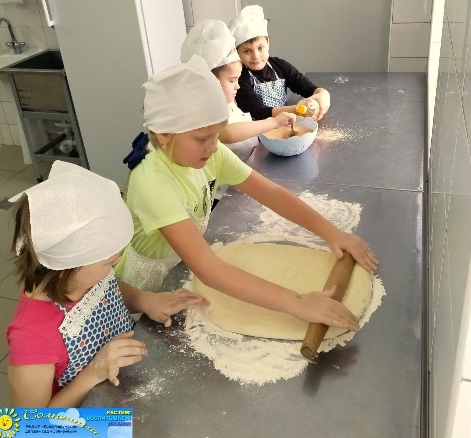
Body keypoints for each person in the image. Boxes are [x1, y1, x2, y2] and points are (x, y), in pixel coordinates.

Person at [116, 55, 378, 336]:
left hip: (177, 268)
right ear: (163, 134)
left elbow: (272, 194)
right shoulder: (153, 182)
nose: (213, 147)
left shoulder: (210, 153)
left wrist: (333, 233)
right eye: (202, 138)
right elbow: (208, 268)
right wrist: (297, 302)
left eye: (217, 134)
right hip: (139, 292)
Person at [6, 161, 208, 407]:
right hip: (84, 418)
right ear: (66, 266)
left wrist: (145, 300)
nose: (116, 263)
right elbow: (29, 424)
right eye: (109, 263)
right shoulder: (32, 338)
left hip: (124, 386)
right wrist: (95, 371)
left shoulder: (87, 276)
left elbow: (110, 290)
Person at [181, 19, 296, 162]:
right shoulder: (206, 111)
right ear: (208, 82)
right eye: (232, 80)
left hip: (250, 164)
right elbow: (228, 132)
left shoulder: (229, 103)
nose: (238, 86)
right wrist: (273, 122)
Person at [229, 5, 331, 121]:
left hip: (284, 124)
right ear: (237, 52)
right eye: (247, 51)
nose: (256, 56)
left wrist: (322, 94)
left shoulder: (280, 66)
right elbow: (257, 111)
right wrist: (298, 110)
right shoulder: (239, 77)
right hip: (256, 128)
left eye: (260, 48)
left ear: (268, 43)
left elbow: (303, 85)